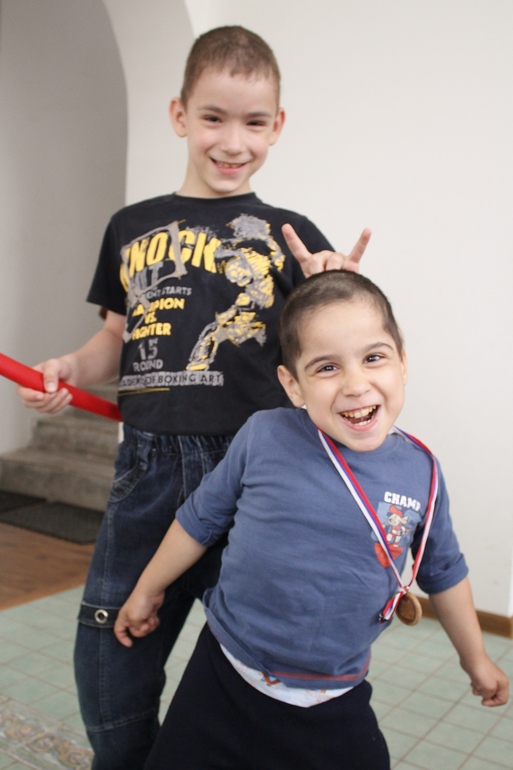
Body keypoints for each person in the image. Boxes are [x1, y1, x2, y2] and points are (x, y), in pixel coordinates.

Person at [16, 26, 371, 770]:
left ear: (277, 126)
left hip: (254, 475)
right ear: (179, 115)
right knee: (108, 660)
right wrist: (69, 369)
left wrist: (331, 286)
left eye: (253, 122)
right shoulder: (129, 226)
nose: (232, 141)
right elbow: (114, 339)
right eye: (213, 117)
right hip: (147, 472)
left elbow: (339, 352)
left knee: (259, 664)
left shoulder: (292, 237)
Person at [115, 269, 509, 770]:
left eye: (373, 358)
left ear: (403, 362)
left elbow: (444, 572)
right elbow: (199, 520)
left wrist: (475, 659)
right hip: (222, 676)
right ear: (293, 384)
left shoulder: (422, 473)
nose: (355, 385)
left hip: (332, 699)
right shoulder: (264, 436)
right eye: (326, 367)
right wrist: (147, 590)